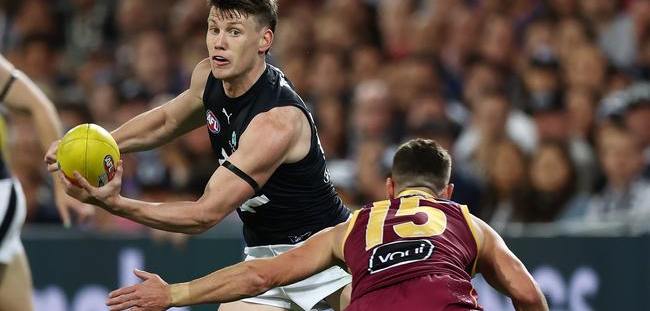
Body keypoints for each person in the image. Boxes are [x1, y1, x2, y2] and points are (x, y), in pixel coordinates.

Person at [45, 0, 352, 311]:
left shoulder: (275, 123)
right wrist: (91, 144)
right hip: (263, 253)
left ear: (264, 40)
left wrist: (115, 204)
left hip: (323, 255)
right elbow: (166, 122)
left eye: (234, 32)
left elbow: (204, 214)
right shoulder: (209, 76)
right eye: (213, 29)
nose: (218, 43)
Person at [106, 138, 548, 311]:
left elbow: (261, 273)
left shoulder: (352, 227)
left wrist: (174, 294)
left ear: (390, 189)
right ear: (448, 193)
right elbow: (528, 294)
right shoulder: (471, 225)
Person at [0, 54, 92, 310]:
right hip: (6, 197)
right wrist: (59, 185)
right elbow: (39, 105)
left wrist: (61, 184)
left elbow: (38, 107)